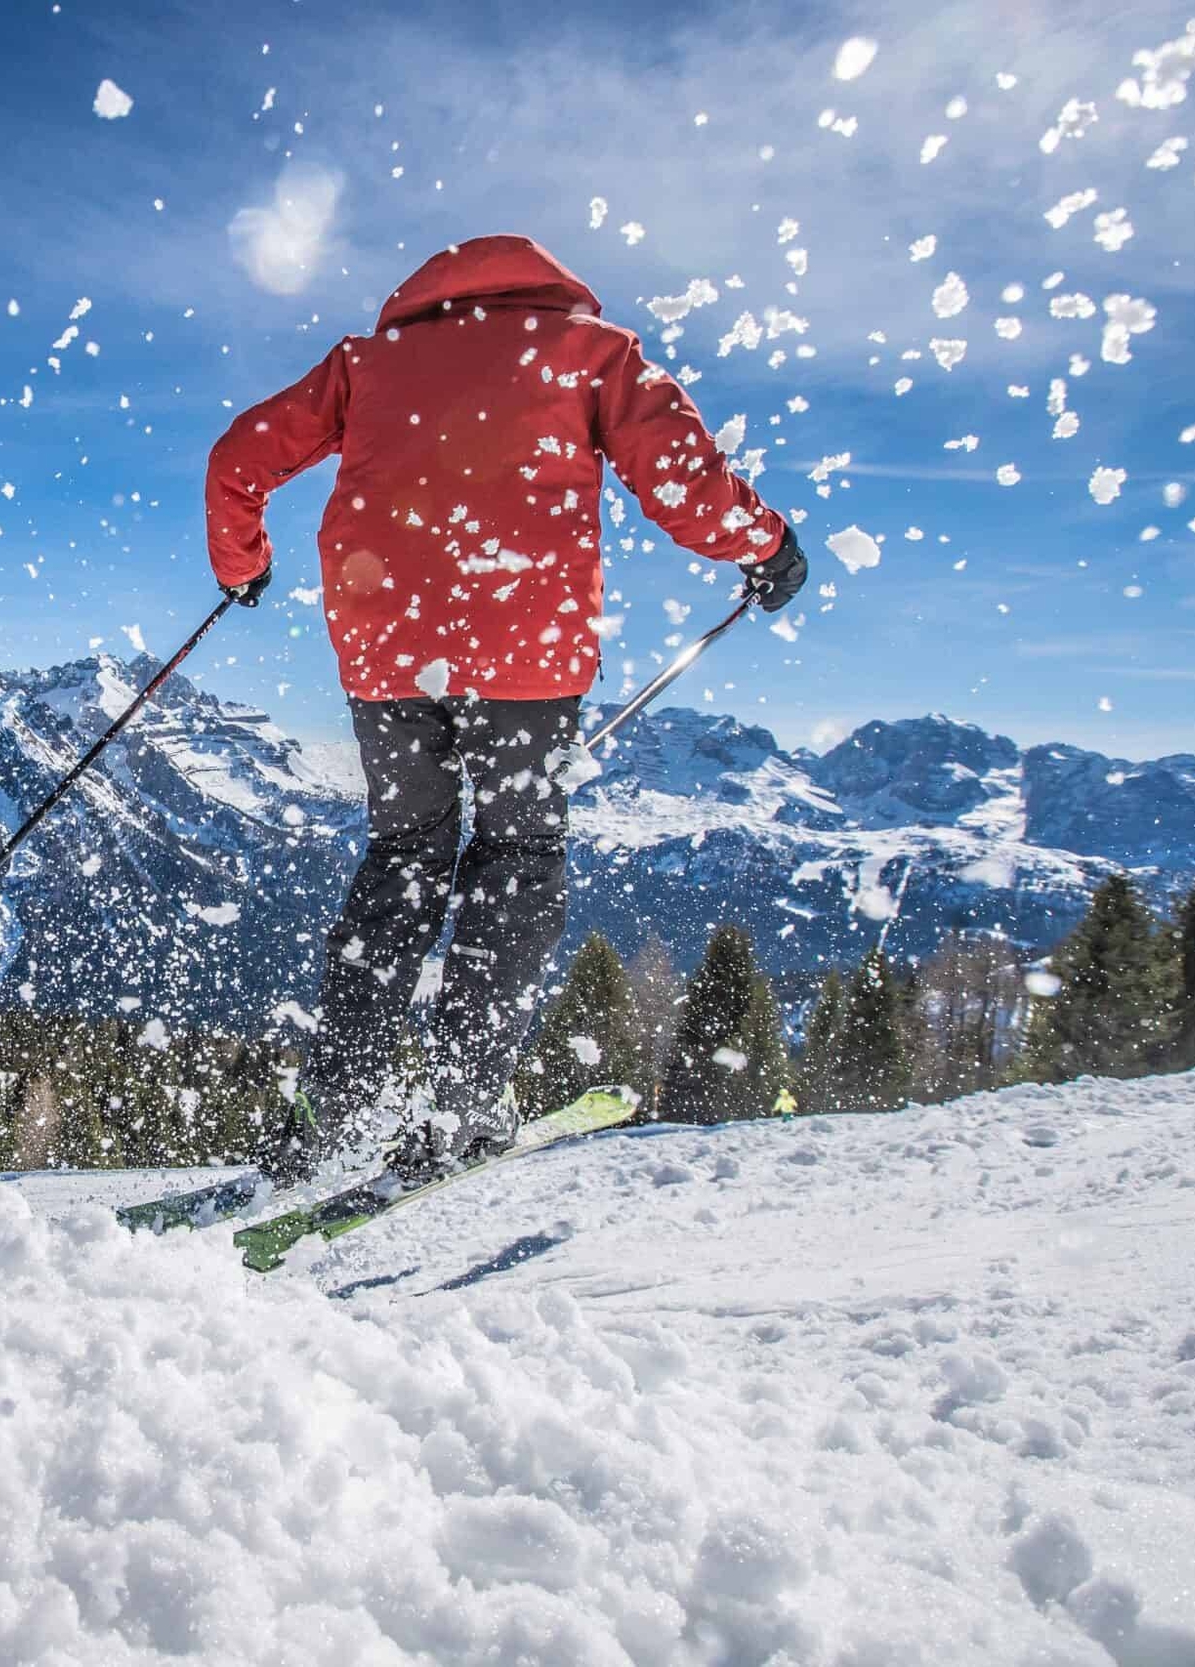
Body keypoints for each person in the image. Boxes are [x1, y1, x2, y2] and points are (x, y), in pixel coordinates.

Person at [205, 235, 806, 1185]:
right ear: (549, 285)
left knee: (404, 855)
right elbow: (680, 482)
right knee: (518, 856)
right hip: (528, 657)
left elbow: (238, 457)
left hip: (388, 657)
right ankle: (462, 1103)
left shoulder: (368, 363)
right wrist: (764, 544)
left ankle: (334, 1103)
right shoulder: (590, 352)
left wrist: (243, 564)